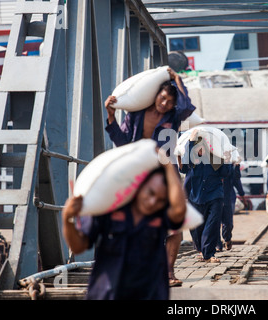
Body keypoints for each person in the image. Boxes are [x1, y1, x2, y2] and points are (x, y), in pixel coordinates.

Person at [104, 67, 195, 287]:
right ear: (156, 94)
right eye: (162, 98)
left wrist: (175, 78)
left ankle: (169, 274)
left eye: (169, 102)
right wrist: (111, 116)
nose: (164, 104)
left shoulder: (174, 117)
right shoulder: (135, 115)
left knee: (174, 229)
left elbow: (186, 106)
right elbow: (123, 142)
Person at [62, 157, 187, 300]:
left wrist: (169, 167)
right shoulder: (108, 206)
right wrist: (67, 220)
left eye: (160, 199)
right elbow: (78, 246)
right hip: (107, 293)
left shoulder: (159, 214)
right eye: (150, 193)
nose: (153, 202)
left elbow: (179, 212)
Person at [179, 129, 231, 263]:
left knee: (212, 224)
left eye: (201, 146)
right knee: (196, 227)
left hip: (214, 195)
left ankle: (209, 253)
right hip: (195, 196)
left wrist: (227, 160)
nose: (199, 149)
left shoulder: (214, 157)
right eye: (196, 146)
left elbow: (225, 173)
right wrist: (190, 140)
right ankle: (202, 250)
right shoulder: (192, 160)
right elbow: (184, 167)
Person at [217, 162, 245, 251]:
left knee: (228, 223)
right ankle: (217, 244)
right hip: (215, 197)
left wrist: (242, 194)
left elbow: (237, 180)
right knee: (214, 223)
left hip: (228, 198)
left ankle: (227, 238)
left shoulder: (230, 167)